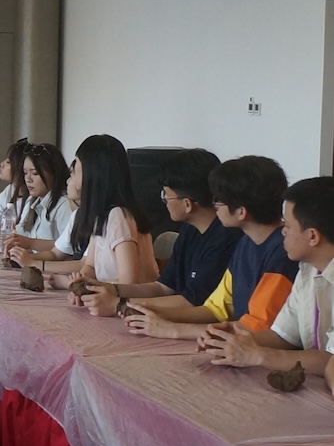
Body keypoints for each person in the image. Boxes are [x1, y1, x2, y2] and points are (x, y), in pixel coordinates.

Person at [123, 156, 297, 340]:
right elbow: (217, 309)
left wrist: (172, 329)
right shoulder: (246, 243)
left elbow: (257, 328)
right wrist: (156, 312)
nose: (214, 205)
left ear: (241, 212)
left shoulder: (282, 253)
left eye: (219, 201)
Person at [196, 177, 334, 380]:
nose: (283, 231)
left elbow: (330, 361)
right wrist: (233, 339)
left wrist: (258, 355)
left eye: (288, 225)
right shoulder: (308, 270)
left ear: (313, 236)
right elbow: (283, 335)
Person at [80, 149, 242, 317]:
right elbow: (163, 287)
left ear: (187, 204)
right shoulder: (190, 230)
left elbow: (192, 302)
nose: (163, 200)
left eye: (166, 194)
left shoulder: (226, 239)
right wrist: (107, 289)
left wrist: (119, 304)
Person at [59, 134, 159, 291]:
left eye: (76, 165)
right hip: (109, 297)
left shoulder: (118, 216)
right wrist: (81, 279)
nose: (71, 175)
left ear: (92, 172)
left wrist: (83, 285)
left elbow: (128, 283)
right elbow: (90, 266)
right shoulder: (101, 216)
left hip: (130, 301)